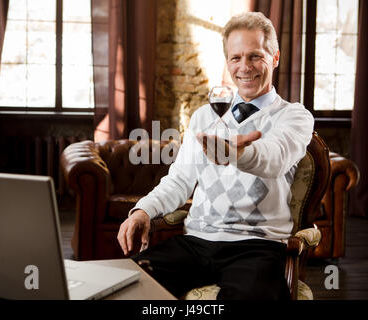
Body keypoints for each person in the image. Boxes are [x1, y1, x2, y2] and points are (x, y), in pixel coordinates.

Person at [117, 11, 314, 300]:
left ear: (275, 57)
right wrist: (143, 210)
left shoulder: (294, 116)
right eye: (236, 58)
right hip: (197, 242)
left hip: (258, 247)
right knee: (128, 288)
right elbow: (179, 181)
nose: (244, 67)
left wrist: (240, 154)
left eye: (255, 56)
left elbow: (274, 158)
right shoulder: (203, 116)